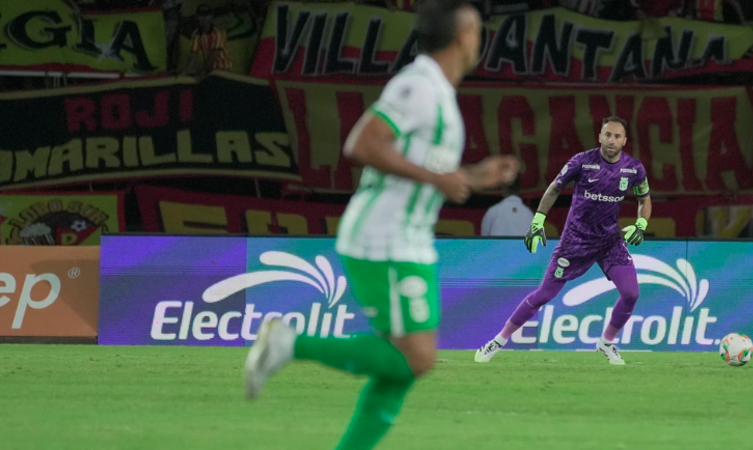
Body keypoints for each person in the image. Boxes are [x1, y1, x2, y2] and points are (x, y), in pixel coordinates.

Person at [242, 2, 519, 450]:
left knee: (402, 367)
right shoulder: (419, 86)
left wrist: (471, 175)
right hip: (384, 238)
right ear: (464, 34)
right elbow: (363, 142)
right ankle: (289, 344)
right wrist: (438, 178)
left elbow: (419, 167)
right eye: (478, 29)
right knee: (418, 358)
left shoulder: (439, 92)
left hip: (408, 240)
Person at [473, 116, 653, 365]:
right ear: (599, 137)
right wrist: (537, 222)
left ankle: (606, 342)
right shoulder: (582, 162)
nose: (612, 140)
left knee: (631, 293)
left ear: (624, 141)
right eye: (608, 135)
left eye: (617, 136)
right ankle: (499, 340)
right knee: (543, 295)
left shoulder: (634, 168)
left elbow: (645, 198)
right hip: (575, 241)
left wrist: (641, 224)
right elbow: (554, 188)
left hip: (609, 240)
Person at [181, 5, 233, 74]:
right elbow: (193, 55)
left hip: (224, 68)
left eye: (206, 15)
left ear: (211, 17)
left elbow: (213, 55)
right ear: (197, 17)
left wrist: (204, 71)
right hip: (210, 69)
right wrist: (185, 71)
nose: (204, 18)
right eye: (201, 15)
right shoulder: (196, 34)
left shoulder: (216, 34)